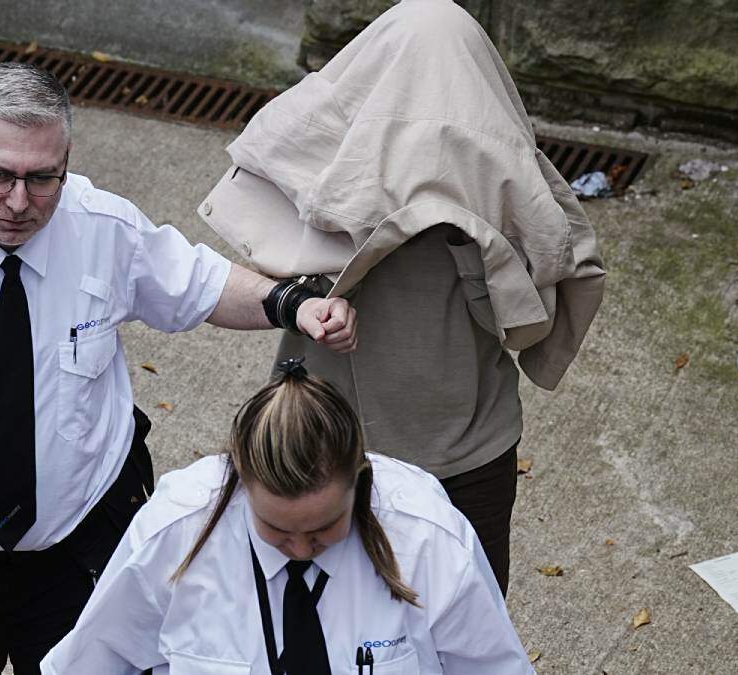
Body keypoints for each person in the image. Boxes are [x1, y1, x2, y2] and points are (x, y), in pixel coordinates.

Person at [0, 62, 357, 674]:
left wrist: (294, 304)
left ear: (66, 162)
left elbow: (201, 285)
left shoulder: (104, 229)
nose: (18, 202)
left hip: (79, 550)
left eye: (41, 178)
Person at [197, 0, 606, 594]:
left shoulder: (501, 177)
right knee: (324, 608)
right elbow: (266, 260)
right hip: (334, 442)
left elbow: (533, 307)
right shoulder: (336, 159)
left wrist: (470, 231)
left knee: (463, 611)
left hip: (463, 450)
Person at [41, 359, 536, 674]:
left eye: (323, 529)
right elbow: (92, 661)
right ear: (240, 481)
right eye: (276, 529)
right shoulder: (174, 531)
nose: (300, 549)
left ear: (360, 480)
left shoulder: (428, 539)